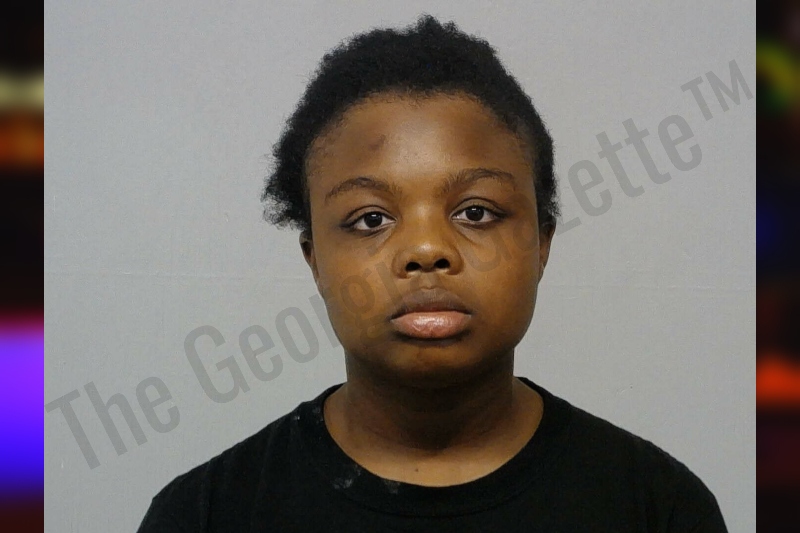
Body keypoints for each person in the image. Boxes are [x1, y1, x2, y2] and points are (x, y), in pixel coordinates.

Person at [137, 15, 727, 532]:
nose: (425, 250)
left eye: (476, 212)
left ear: (542, 243)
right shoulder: (206, 514)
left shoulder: (659, 508)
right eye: (370, 219)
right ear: (314, 259)